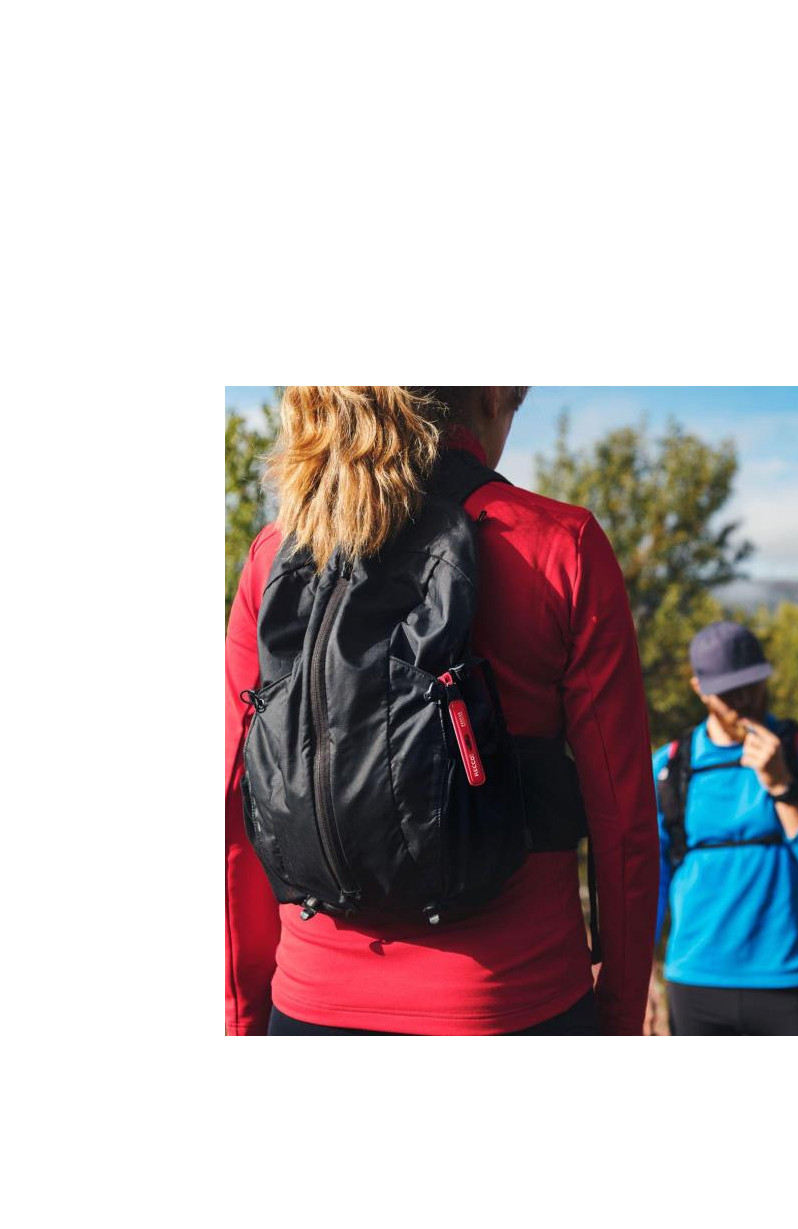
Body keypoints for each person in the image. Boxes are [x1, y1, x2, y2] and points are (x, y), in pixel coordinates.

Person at [226, 386, 659, 1035]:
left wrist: (242, 1018)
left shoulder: (278, 553)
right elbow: (623, 822)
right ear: (492, 393)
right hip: (515, 998)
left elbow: (234, 800)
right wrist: (620, 1017)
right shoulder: (558, 544)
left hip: (311, 1000)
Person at [652, 620, 798, 1035]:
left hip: (783, 979)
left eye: (752, 684)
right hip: (694, 981)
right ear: (700, 689)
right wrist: (638, 979)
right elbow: (651, 880)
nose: (744, 700)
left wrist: (784, 787)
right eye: (729, 691)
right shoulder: (670, 767)